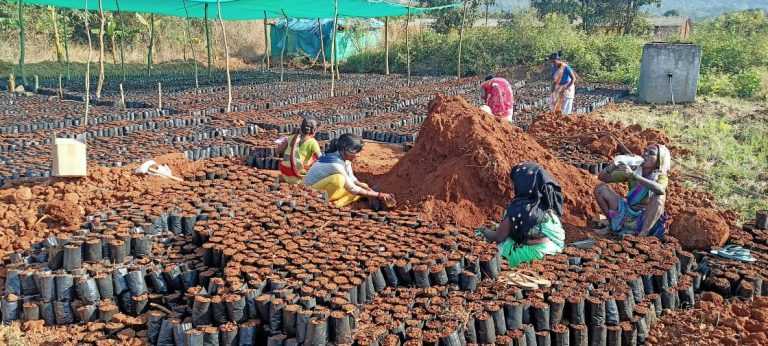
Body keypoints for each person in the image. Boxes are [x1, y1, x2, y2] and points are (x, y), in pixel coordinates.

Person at [478, 162, 566, 268]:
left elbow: (498, 237)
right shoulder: (546, 201)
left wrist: (482, 231)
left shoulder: (519, 208)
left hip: (536, 253)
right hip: (554, 248)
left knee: (496, 247)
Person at [594, 144, 671, 238]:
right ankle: (612, 226)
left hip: (645, 218)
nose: (645, 154)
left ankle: (642, 236)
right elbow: (603, 177)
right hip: (628, 213)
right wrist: (614, 165)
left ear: (659, 160)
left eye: (651, 153)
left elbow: (660, 189)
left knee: (659, 198)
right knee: (600, 189)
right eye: (645, 151)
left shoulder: (660, 176)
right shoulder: (635, 169)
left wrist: (634, 176)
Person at [304, 134, 395, 208]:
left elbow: (352, 179)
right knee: (339, 179)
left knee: (362, 187)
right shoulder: (335, 163)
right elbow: (352, 188)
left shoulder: (345, 160)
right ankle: (325, 202)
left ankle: (336, 204)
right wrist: (379, 195)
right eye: (355, 152)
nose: (357, 155)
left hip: (325, 188)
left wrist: (368, 190)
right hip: (312, 192)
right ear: (345, 150)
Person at [276, 116, 322, 184]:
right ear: (314, 130)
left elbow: (278, 151)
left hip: (285, 173)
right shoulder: (313, 142)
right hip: (298, 178)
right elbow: (321, 159)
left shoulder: (291, 138)